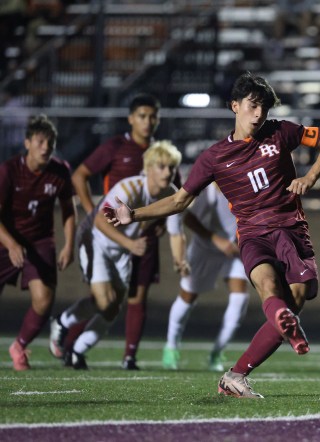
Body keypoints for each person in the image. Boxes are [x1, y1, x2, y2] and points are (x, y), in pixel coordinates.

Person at [104, 72, 320, 398]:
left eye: (264, 108)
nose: (259, 114)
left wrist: (311, 176)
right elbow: (179, 201)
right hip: (253, 236)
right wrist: (132, 214)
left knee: (298, 298)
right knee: (268, 288)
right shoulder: (214, 157)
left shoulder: (281, 131)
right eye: (253, 106)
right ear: (235, 106)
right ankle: (254, 358)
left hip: (291, 229)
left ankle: (237, 372)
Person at [49, 141, 187, 370]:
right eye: (162, 166)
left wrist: (179, 260)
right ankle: (63, 321)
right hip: (96, 240)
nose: (167, 172)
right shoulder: (130, 188)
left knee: (112, 307)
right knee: (104, 300)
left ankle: (77, 350)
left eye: (171, 167)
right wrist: (131, 244)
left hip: (122, 249)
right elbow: (100, 221)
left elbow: (176, 233)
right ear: (149, 167)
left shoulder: (171, 194)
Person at [68, 93, 179, 370]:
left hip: (144, 236)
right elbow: (79, 175)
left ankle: (129, 356)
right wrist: (91, 210)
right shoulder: (117, 147)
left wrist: (164, 227)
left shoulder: (164, 156)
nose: (148, 121)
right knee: (103, 299)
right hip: (111, 234)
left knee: (136, 296)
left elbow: (175, 201)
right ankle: (68, 343)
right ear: (130, 118)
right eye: (142, 115)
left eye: (153, 116)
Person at [0, 114, 76, 371]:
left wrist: (68, 244)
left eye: (50, 142)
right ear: (27, 143)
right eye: (41, 141)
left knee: (44, 298)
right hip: (5, 238)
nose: (46, 147)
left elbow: (68, 209)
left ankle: (19, 346)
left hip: (41, 240)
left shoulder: (60, 171)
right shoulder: (9, 170)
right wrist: (10, 244)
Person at [162, 183, 249, 372]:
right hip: (205, 247)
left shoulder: (244, 181)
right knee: (187, 296)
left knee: (240, 298)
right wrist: (217, 240)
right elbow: (187, 217)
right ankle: (171, 347)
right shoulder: (205, 189)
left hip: (234, 248)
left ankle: (217, 352)